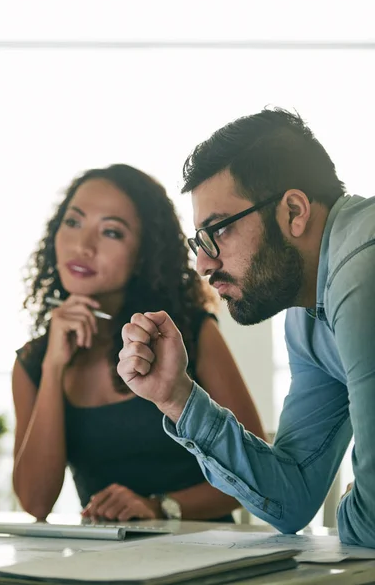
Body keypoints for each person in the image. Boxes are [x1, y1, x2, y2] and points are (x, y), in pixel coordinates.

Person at [117, 109, 375, 547]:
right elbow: (292, 499)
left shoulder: (362, 273)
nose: (203, 263)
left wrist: (361, 508)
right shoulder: (307, 311)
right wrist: (177, 397)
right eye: (199, 241)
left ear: (294, 211)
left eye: (218, 230)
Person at [12, 163, 266, 522]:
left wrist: (159, 508)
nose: (82, 246)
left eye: (111, 232)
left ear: (144, 254)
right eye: (73, 222)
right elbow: (36, 504)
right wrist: (53, 368)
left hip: (203, 554)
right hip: (103, 565)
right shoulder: (33, 362)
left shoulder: (186, 334)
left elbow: (258, 472)